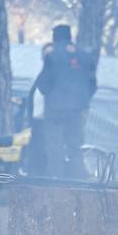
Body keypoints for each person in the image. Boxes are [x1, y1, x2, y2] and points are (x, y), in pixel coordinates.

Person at [25, 24, 98, 177]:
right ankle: (76, 180)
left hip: (55, 109)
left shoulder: (52, 55)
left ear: (55, 37)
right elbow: (92, 85)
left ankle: (56, 181)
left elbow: (44, 84)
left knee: (55, 147)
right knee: (75, 147)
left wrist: (52, 96)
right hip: (77, 109)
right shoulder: (85, 56)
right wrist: (81, 101)